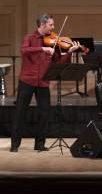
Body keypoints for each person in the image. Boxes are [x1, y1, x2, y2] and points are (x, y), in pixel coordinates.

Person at [10, 14, 81, 152]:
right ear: (42, 25)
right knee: (20, 112)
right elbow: (24, 51)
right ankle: (14, 144)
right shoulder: (29, 38)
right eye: (51, 25)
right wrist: (42, 49)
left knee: (45, 113)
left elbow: (58, 62)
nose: (53, 27)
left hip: (43, 82)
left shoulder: (53, 41)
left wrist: (69, 52)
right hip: (27, 80)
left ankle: (40, 144)